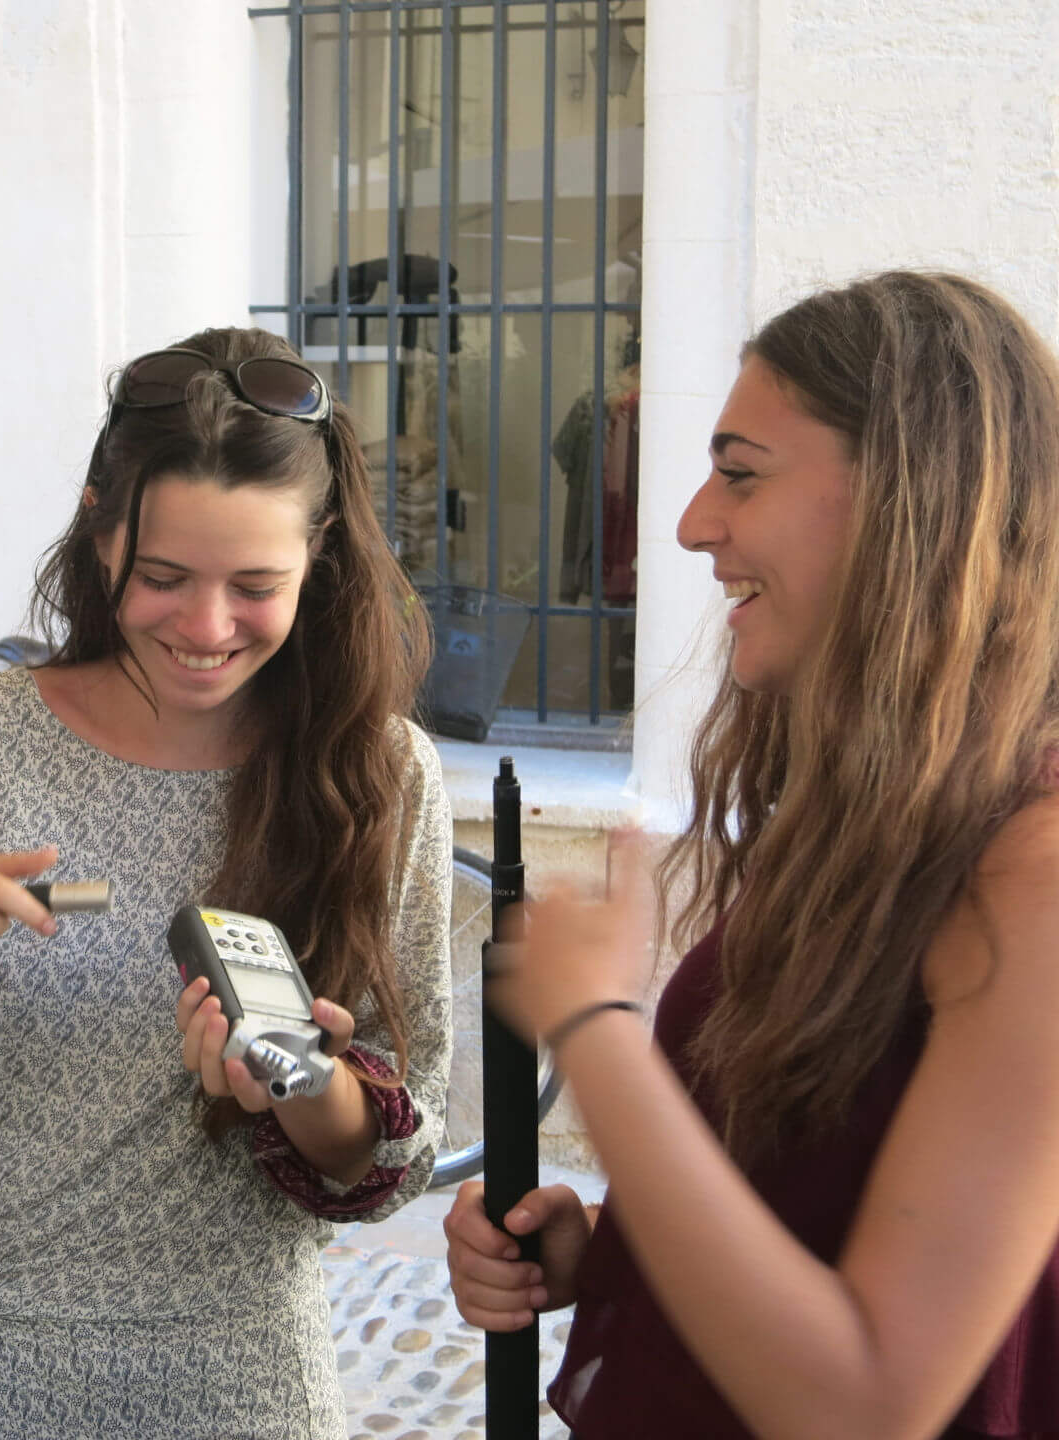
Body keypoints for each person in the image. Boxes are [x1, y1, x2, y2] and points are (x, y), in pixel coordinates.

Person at [0, 328, 455, 1439]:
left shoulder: (380, 774)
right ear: (99, 529)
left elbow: (386, 1154)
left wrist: (299, 1079)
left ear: (321, 563)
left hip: (244, 1373)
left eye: (256, 586)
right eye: (163, 578)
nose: (206, 630)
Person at [443, 271, 1059, 1440]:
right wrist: (613, 1250)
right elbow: (809, 1195)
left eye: (740, 473)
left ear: (908, 500)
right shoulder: (879, 817)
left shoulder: (1033, 872)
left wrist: (595, 1034)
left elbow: (869, 1402)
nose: (688, 525)